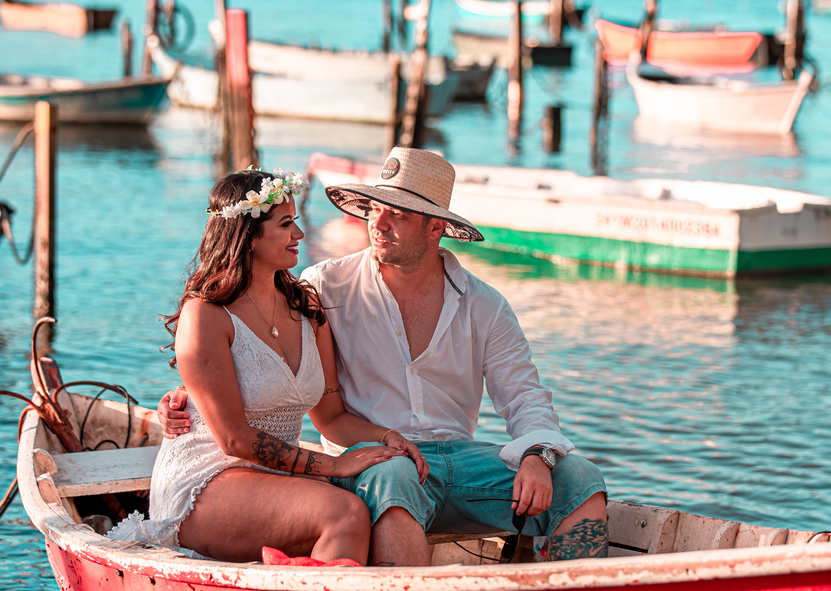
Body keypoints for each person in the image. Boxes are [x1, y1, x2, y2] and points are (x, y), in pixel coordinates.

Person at [161, 148, 608, 566]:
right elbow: (243, 357)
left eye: (397, 213)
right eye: (375, 209)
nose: (378, 223)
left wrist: (538, 454)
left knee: (582, 479)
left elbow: (526, 397)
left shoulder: (484, 304)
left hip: (461, 461)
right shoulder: (326, 288)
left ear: (436, 228)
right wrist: (186, 395)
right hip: (373, 462)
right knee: (394, 477)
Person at [115, 168, 427, 564]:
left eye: (295, 221)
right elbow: (235, 440)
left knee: (379, 492)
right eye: (285, 224)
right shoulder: (206, 315)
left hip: (278, 478)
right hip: (208, 479)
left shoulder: (307, 307)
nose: (299, 234)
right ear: (247, 236)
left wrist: (386, 437)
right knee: (344, 513)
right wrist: (333, 464)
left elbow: (330, 417)